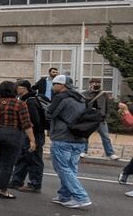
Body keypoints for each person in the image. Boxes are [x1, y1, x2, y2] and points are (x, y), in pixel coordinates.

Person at [46, 75, 91, 208]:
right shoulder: (81, 98)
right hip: (79, 138)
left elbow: (49, 114)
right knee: (70, 168)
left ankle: (81, 197)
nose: (53, 86)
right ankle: (64, 196)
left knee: (62, 168)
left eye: (54, 84)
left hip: (63, 137)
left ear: (62, 85)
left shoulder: (61, 98)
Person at [0, 81, 35, 200]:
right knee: (8, 164)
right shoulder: (19, 104)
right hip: (12, 134)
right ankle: (2, 189)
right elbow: (26, 123)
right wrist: (32, 140)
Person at [11, 80, 47, 194]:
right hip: (27, 133)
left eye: (17, 87)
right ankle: (16, 181)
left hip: (34, 134)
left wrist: (32, 139)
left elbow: (34, 121)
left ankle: (35, 184)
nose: (15, 89)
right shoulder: (24, 100)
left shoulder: (30, 102)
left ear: (24, 88)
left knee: (34, 159)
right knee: (22, 157)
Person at [85, 79, 118, 159]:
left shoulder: (103, 94)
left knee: (105, 136)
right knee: (85, 135)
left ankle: (110, 153)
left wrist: (106, 116)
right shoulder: (85, 93)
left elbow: (107, 106)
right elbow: (84, 104)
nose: (96, 84)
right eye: (94, 83)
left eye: (98, 83)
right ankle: (83, 151)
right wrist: (91, 92)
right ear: (90, 84)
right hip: (89, 118)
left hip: (101, 118)